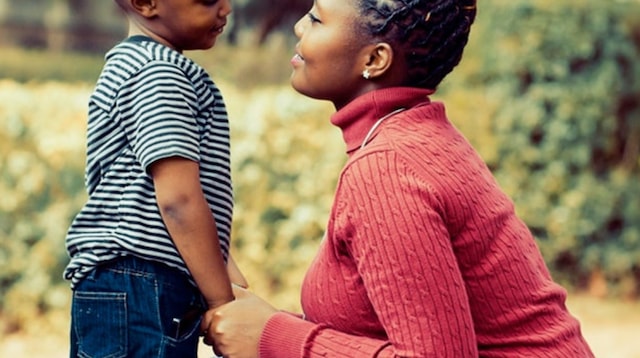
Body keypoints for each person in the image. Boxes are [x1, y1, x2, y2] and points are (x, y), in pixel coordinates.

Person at [203, 0, 595, 357]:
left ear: (375, 59)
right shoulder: (415, 138)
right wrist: (269, 324)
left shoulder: (388, 169)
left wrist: (274, 337)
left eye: (317, 18)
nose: (299, 28)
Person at [63, 0, 247, 356]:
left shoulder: (138, 66)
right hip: (142, 283)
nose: (225, 8)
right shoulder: (159, 73)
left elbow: (155, 194)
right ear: (146, 3)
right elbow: (178, 200)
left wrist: (226, 272)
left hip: (131, 282)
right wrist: (222, 301)